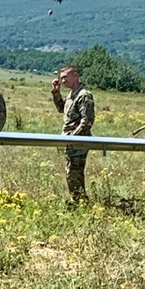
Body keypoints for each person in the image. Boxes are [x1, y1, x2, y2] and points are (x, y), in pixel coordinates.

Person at [52, 65, 95, 203]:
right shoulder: (72, 94)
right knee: (72, 172)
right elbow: (61, 109)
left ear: (76, 75)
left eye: (66, 77)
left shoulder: (84, 95)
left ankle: (80, 201)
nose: (63, 80)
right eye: (61, 77)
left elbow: (87, 121)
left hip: (79, 141)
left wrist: (72, 137)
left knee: (73, 173)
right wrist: (56, 93)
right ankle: (79, 200)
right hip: (71, 140)